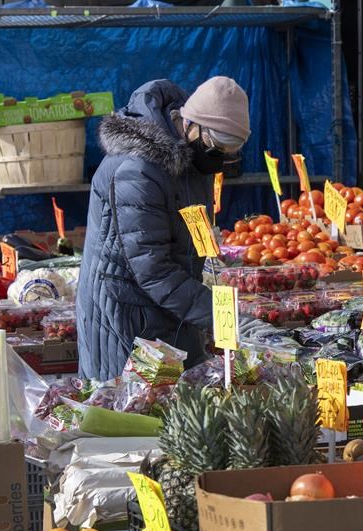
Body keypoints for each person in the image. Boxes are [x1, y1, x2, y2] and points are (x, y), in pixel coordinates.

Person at [77, 77, 250, 380]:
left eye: (230, 150)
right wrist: (224, 316)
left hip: (171, 306)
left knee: (182, 399)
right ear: (190, 124)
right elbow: (152, 268)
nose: (220, 157)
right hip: (124, 316)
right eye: (216, 146)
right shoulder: (137, 170)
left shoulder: (195, 159)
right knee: (131, 404)